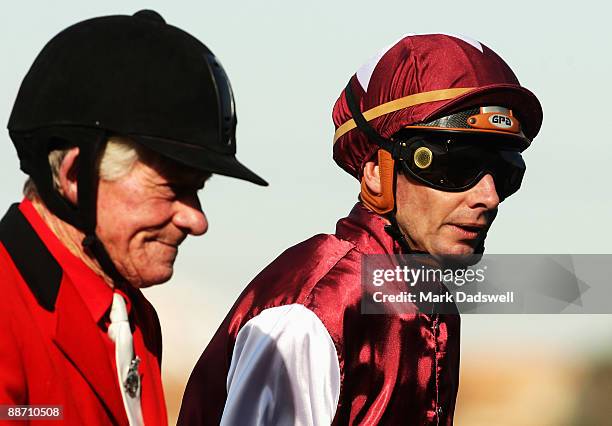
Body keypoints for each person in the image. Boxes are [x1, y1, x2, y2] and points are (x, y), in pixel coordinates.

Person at [178, 34, 542, 425]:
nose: (489, 196)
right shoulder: (312, 313)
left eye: (506, 172)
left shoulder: (433, 305)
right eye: (455, 165)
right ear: (375, 173)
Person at [0, 10, 267, 426]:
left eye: (198, 189)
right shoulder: (8, 309)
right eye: (172, 187)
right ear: (74, 177)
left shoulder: (134, 317)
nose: (197, 221)